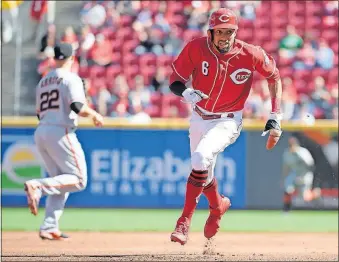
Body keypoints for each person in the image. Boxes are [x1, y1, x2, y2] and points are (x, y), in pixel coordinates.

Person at [168, 8, 283, 245]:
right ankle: (218, 206)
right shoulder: (196, 47)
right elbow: (174, 81)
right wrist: (186, 91)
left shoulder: (249, 53)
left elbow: (274, 76)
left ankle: (184, 221)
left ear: (236, 32)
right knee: (204, 172)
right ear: (210, 32)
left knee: (200, 159)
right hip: (199, 117)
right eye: (219, 31)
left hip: (228, 119)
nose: (225, 37)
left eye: (229, 32)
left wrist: (275, 116)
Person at [24, 43, 104, 240]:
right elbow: (77, 106)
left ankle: (49, 226)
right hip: (60, 131)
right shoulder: (70, 78)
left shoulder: (42, 82)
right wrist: (94, 114)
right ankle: (38, 186)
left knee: (61, 181)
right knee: (78, 180)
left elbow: (38, 112)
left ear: (54, 59)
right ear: (72, 59)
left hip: (42, 130)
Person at [282, 137, 318, 212]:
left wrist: (300, 157)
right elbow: (286, 167)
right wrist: (284, 178)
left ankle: (316, 193)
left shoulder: (303, 152)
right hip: (294, 173)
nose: (292, 146)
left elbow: (311, 165)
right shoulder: (287, 153)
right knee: (288, 190)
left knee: (305, 197)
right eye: (290, 145)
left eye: (293, 145)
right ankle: (286, 209)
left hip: (305, 174)